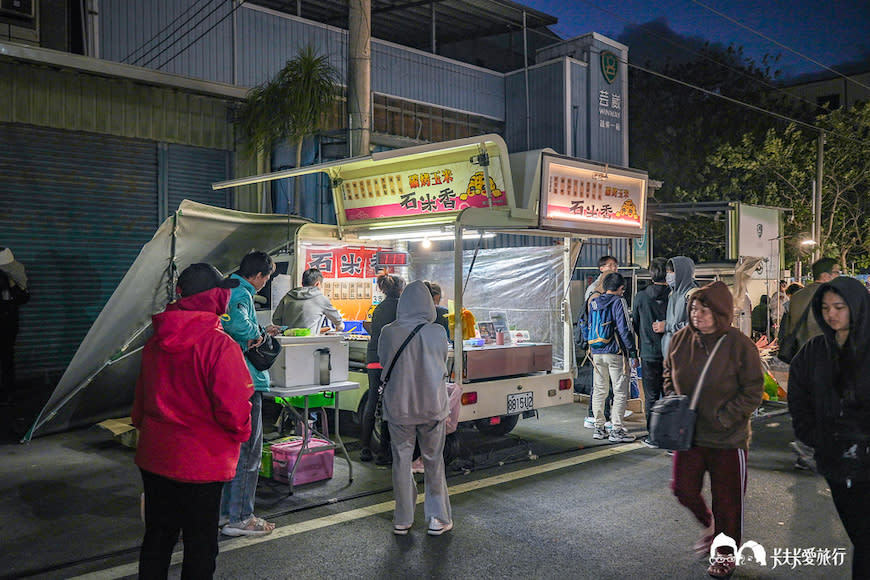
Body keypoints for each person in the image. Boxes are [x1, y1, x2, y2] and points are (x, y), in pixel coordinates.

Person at [132, 263, 253, 579]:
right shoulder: (219, 345)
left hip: (156, 456)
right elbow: (235, 409)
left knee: (158, 538)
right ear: (214, 297)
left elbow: (140, 402)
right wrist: (242, 432)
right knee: (200, 544)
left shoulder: (155, 341)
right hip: (202, 461)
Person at [663, 281, 764, 579]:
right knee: (683, 489)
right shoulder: (681, 339)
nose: (698, 314)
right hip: (689, 434)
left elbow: (753, 389)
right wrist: (674, 400)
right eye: (694, 308)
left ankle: (724, 554)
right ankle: (710, 524)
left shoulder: (739, 344)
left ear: (720, 312)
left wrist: (725, 418)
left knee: (728, 502)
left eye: (705, 309)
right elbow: (668, 372)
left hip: (727, 438)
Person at [788, 276, 870, 580]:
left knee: (865, 541)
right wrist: (810, 433)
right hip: (835, 460)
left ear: (858, 307)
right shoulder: (815, 351)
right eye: (825, 308)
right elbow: (797, 392)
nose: (831, 314)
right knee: (860, 536)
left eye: (839, 307)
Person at [378, 280, 452, 536]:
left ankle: (403, 519)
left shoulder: (389, 331)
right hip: (432, 405)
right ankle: (437, 519)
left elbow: (383, 361)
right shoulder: (438, 332)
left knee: (401, 461)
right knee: (433, 461)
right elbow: (442, 361)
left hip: (399, 406)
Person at [220, 251, 281, 537]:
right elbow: (235, 323)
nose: (265, 283)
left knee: (233, 451)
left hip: (233, 380)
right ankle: (241, 517)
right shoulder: (239, 292)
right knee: (248, 453)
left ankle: (226, 513)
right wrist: (257, 334)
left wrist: (257, 329)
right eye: (266, 277)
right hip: (246, 382)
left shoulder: (230, 288)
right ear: (257, 275)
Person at [587, 272, 638, 443]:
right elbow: (625, 328)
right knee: (620, 391)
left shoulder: (594, 302)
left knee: (600, 390)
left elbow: (588, 325)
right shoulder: (618, 301)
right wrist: (632, 352)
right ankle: (617, 429)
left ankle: (599, 428)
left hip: (596, 352)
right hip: (615, 352)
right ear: (620, 288)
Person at [360, 274, 406, 464]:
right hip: (391, 360)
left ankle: (365, 448)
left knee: (373, 401)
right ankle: (383, 453)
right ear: (401, 290)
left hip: (373, 358)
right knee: (389, 404)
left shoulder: (378, 308)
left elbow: (371, 327)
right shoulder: (403, 309)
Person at [631, 257, 669, 448]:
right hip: (671, 354)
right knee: (670, 395)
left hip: (648, 353)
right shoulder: (674, 295)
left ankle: (654, 436)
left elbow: (635, 325)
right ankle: (670, 435)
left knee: (652, 396)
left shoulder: (640, 297)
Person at [777, 257, 841, 362]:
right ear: (825, 276)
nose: (839, 276)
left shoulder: (797, 296)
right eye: (836, 272)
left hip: (801, 358)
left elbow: (787, 328)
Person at [582, 255, 619, 429]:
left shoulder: (606, 289)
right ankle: (596, 415)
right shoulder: (594, 290)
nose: (614, 268)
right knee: (600, 383)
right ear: (601, 268)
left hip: (601, 342)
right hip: (598, 341)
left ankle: (601, 416)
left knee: (604, 382)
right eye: (610, 265)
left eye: (615, 265)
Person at [272, 267, 344, 333]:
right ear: (317, 284)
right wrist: (339, 327)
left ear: (302, 283)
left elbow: (275, 319)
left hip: (287, 340)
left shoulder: (288, 296)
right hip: (309, 342)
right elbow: (339, 323)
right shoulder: (321, 298)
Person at [0, 247, 29, 406]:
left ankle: (7, 391)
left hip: (8, 320)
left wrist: (11, 285)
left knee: (7, 357)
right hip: (9, 319)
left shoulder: (14, 272)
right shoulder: (14, 270)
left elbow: (23, 297)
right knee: (7, 357)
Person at [658, 256, 698, 359]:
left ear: (682, 273)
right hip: (671, 356)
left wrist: (667, 327)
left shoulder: (692, 295)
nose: (668, 275)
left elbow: (695, 325)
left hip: (685, 356)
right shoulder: (672, 294)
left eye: (672, 272)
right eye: (668, 272)